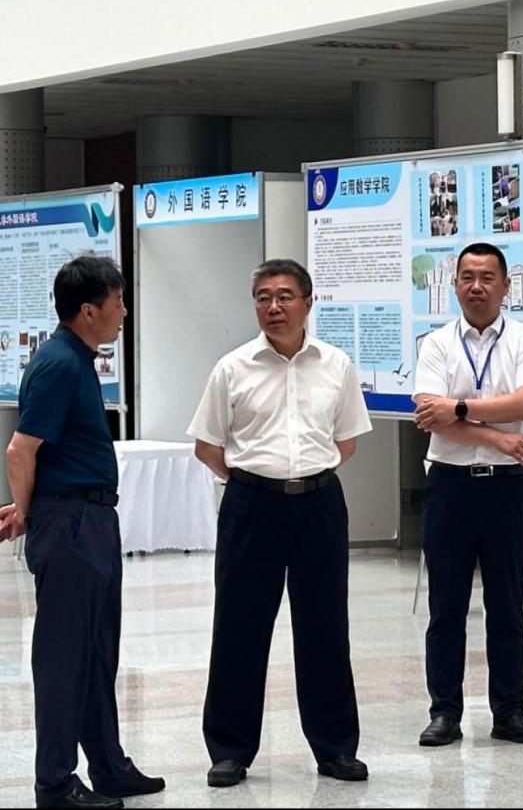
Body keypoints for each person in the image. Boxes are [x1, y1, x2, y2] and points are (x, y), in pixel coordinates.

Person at [188, 258, 372, 788]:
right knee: (239, 628)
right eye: (263, 297)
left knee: (325, 628)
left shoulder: (336, 364)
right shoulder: (232, 368)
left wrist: (300, 476)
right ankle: (230, 750)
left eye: (285, 296)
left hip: (318, 504)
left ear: (308, 303)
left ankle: (335, 748)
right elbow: (207, 446)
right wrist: (255, 480)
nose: (274, 306)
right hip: (252, 506)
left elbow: (346, 442)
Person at [0, 256, 164, 809]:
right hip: (69, 523)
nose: (124, 311)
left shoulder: (76, 359)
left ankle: (108, 766)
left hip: (89, 519)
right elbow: (21, 448)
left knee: (96, 652)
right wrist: (27, 512)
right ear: (89, 310)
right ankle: (55, 783)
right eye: (118, 302)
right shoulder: (59, 364)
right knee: (65, 657)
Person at [412, 241, 523, 747]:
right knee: (446, 607)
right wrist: (498, 437)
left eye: (487, 277)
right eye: (467, 277)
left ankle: (509, 712)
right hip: (449, 487)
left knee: (507, 607)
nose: (476, 286)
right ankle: (444, 713)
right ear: (454, 285)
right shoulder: (436, 344)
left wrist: (461, 409)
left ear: (506, 286)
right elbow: (430, 415)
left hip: (506, 490)